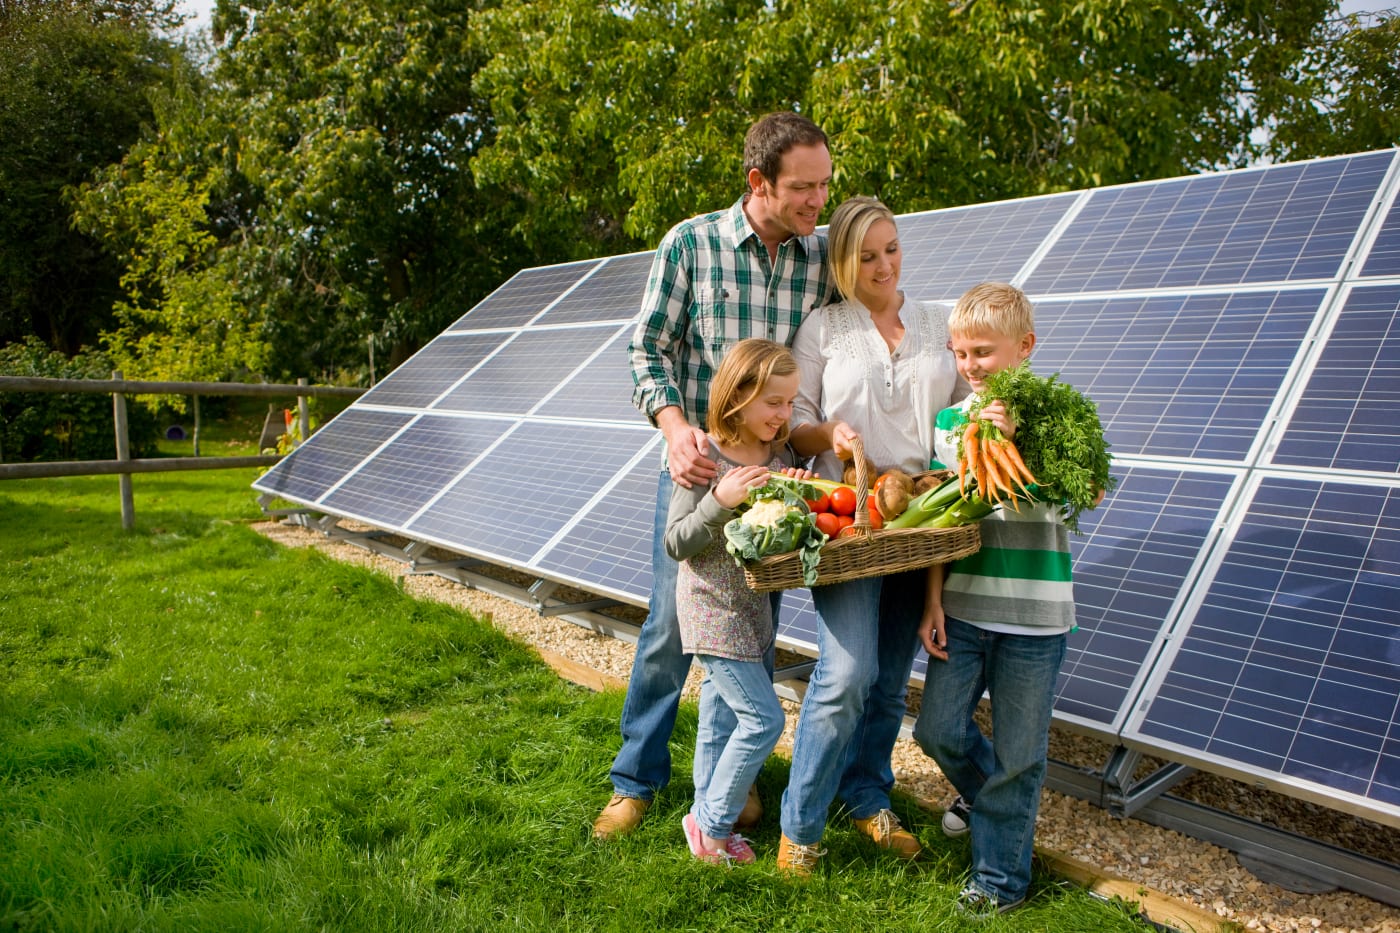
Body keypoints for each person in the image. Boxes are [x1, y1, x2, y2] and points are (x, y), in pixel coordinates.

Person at [594, 111, 836, 839]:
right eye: (803, 188)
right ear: (758, 181)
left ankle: (730, 781)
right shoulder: (692, 244)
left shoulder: (819, 261)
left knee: (756, 623)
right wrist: (673, 428)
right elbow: (647, 350)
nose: (817, 202)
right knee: (672, 625)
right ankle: (636, 780)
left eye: (825, 186)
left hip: (773, 473)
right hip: (702, 466)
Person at [776, 195, 971, 875]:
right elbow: (795, 421)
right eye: (866, 255)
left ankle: (866, 795)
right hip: (851, 518)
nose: (883, 264)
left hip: (917, 518)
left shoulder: (935, 321)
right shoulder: (823, 329)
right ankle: (799, 823)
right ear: (841, 261)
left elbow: (955, 416)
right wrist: (828, 433)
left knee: (889, 682)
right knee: (846, 672)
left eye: (890, 248)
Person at [913, 282, 1100, 917]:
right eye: (959, 353)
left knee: (1021, 756)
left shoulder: (1059, 418)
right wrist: (932, 601)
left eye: (983, 352)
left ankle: (999, 881)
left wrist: (1024, 439)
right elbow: (945, 522)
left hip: (1035, 617)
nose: (969, 366)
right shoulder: (949, 424)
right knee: (937, 731)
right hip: (963, 606)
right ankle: (988, 799)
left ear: (1024, 348)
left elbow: (1092, 492)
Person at [664, 338, 813, 863]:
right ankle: (711, 825)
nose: (784, 414)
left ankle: (708, 824)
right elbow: (676, 541)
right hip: (710, 609)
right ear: (738, 395)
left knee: (721, 717)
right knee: (764, 719)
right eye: (774, 402)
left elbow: (776, 535)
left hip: (752, 613)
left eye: (791, 402)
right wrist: (718, 502)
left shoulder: (782, 454)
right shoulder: (706, 455)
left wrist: (795, 496)